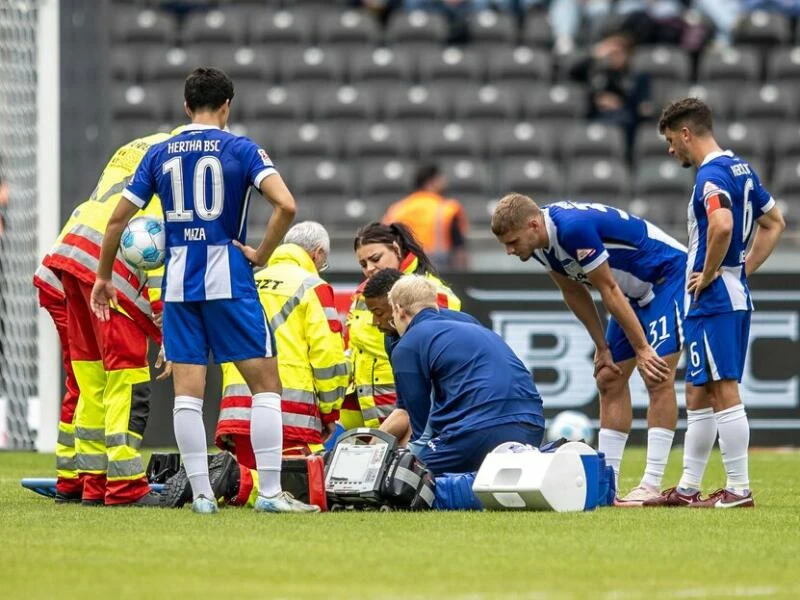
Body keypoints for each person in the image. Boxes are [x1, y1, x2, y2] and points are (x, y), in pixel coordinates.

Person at [92, 67, 318, 515]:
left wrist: (103, 277)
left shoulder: (160, 153)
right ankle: (270, 494)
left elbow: (117, 220)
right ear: (227, 105)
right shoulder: (242, 149)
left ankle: (201, 496)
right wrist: (263, 253)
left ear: (185, 106)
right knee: (266, 387)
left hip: (178, 285)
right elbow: (287, 205)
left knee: (187, 396)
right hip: (229, 278)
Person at [492, 194, 683, 505]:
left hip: (666, 279)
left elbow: (606, 287)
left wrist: (643, 348)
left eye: (512, 241)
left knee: (657, 374)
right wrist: (602, 347)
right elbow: (573, 290)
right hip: (629, 294)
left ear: (533, 224)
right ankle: (608, 484)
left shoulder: (572, 229)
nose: (509, 250)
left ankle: (651, 483)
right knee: (609, 378)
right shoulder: (539, 245)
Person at [644, 97, 785, 508]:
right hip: (730, 291)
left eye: (672, 140)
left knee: (723, 389)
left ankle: (738, 489)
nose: (672, 150)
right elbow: (774, 222)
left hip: (714, 298)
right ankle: (689, 488)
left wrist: (709, 274)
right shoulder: (740, 167)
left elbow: (722, 225)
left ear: (686, 133)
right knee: (697, 390)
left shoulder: (710, 177)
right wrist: (741, 270)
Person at [45, 134, 169, 507]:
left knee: (90, 377)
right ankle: (125, 486)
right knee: (126, 379)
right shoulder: (173, 164)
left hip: (71, 251)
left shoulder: (132, 148)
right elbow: (156, 247)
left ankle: (91, 483)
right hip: (110, 268)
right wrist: (163, 318)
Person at [203, 222, 347, 509]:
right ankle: (235, 480)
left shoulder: (249, 280)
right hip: (288, 412)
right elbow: (328, 359)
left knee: (253, 483)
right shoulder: (313, 286)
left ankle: (233, 479)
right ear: (317, 255)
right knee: (304, 486)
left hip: (238, 406)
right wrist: (330, 412)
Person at [383, 275, 545, 476]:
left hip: (479, 431)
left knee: (403, 479)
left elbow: (416, 422)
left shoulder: (408, 344)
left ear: (398, 310)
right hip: (533, 424)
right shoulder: (470, 322)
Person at [342, 221, 461, 430]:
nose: (370, 269)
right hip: (365, 407)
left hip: (406, 406)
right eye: (363, 264)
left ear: (396, 249)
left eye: (375, 259)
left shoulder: (430, 291)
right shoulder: (364, 294)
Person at [363, 267, 480, 455]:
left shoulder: (413, 341)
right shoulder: (393, 339)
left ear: (396, 306)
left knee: (408, 466)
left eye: (378, 312)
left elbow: (421, 425)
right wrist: (368, 452)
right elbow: (405, 410)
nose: (375, 322)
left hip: (467, 419)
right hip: (448, 418)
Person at [383, 164, 469, 271]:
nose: (445, 182)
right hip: (438, 273)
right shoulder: (447, 209)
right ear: (432, 181)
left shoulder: (396, 209)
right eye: (441, 179)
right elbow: (459, 251)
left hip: (401, 274)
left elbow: (383, 246)